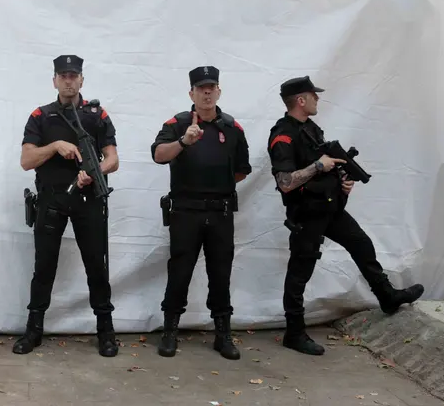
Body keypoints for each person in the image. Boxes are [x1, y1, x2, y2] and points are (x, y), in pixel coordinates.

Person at [267, 75, 424, 356]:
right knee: (300, 271)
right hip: (306, 213)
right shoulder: (283, 135)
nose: (318, 99)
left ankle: (387, 296)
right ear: (301, 100)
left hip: (330, 207)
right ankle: (294, 332)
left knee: (362, 244)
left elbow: (327, 166)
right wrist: (318, 166)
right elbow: (285, 182)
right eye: (313, 95)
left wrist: (342, 182)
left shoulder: (312, 129)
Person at [14, 54, 120, 357]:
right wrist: (55, 146)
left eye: (74, 75)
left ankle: (106, 331)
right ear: (55, 81)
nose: (69, 80)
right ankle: (33, 329)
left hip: (88, 199)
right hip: (51, 198)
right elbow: (26, 160)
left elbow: (113, 158)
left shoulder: (96, 116)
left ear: (82, 80)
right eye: (63, 76)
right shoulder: (41, 116)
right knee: (44, 266)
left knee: (96, 267)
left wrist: (95, 171)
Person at [150, 66, 251, 360]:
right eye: (201, 88)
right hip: (185, 211)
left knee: (221, 273)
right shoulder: (178, 124)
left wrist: (214, 184)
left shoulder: (232, 128)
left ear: (218, 91)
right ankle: (170, 331)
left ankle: (223, 334)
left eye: (212, 87)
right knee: (179, 272)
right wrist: (184, 142)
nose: (207, 92)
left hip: (219, 212)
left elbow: (242, 171)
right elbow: (158, 155)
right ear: (191, 93)